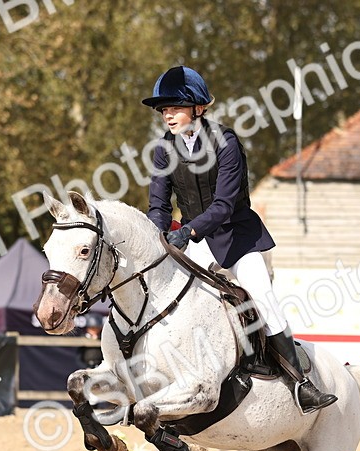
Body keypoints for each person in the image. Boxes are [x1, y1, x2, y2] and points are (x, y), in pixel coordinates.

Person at [143, 65, 336, 414]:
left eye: (175, 107)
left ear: (198, 107)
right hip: (195, 241)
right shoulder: (163, 149)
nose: (167, 115)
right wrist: (157, 237)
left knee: (262, 297)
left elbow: (224, 204)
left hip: (237, 238)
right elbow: (159, 205)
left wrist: (187, 231)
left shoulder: (226, 141)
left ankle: (300, 384)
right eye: (163, 109)